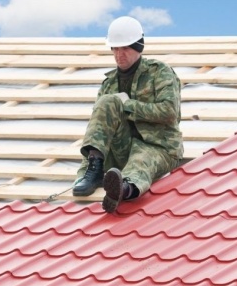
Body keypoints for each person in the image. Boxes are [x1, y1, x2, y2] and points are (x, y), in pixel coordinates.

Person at [72, 16, 183, 213]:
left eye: (124, 48)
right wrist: (85, 171)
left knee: (141, 161)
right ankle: (97, 171)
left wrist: (129, 105)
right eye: (115, 49)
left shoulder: (159, 73)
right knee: (107, 102)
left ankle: (124, 189)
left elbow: (170, 112)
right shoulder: (109, 83)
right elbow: (99, 131)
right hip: (122, 148)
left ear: (137, 47)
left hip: (158, 146)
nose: (119, 54)